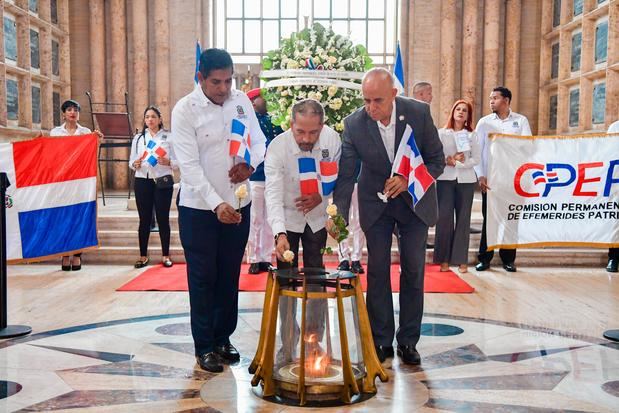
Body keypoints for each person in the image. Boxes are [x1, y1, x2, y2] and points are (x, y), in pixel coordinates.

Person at [331, 68, 445, 365]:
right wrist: (339, 218)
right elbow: (345, 177)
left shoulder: (418, 113)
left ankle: (408, 341)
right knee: (378, 270)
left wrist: (409, 179)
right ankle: (381, 340)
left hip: (413, 202)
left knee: (413, 270)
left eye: (377, 100)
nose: (371, 108)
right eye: (366, 100)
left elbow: (436, 161)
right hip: (376, 203)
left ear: (394, 94)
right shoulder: (354, 124)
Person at [171, 48, 266, 373]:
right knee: (202, 277)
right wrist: (217, 204)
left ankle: (223, 338)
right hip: (200, 209)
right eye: (216, 82)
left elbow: (259, 142)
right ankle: (205, 345)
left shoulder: (240, 102)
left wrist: (250, 165)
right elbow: (189, 166)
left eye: (228, 80)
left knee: (228, 274)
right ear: (201, 78)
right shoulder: (185, 110)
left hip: (239, 202)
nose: (224, 88)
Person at [265, 99, 341, 362]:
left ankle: (313, 340)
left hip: (317, 221)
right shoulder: (277, 147)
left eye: (313, 132)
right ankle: (287, 343)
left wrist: (321, 196)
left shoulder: (332, 141)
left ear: (323, 126)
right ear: (290, 124)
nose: (307, 139)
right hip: (287, 219)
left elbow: (338, 180)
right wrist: (279, 233)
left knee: (317, 277)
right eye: (300, 132)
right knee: (286, 281)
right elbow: (272, 194)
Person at [474, 86, 531, 273]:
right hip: (491, 181)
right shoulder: (484, 123)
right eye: (490, 98)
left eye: (495, 98)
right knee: (490, 220)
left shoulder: (521, 121)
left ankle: (508, 259)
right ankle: (485, 258)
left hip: (514, 180)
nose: (491, 101)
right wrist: (480, 175)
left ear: (506, 100)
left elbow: (527, 147)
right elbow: (477, 151)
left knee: (511, 219)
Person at [50, 99, 103, 271]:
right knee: (64, 217)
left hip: (81, 181)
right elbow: (51, 155)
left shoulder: (86, 132)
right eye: (69, 109)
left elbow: (91, 152)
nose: (73, 112)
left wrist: (97, 141)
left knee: (80, 217)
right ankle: (65, 255)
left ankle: (77, 255)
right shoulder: (55, 132)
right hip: (62, 181)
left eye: (76, 110)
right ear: (64, 113)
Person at [433, 100, 480, 274]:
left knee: (463, 220)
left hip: (466, 181)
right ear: (452, 112)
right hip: (445, 179)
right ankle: (444, 259)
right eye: (458, 109)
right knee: (444, 219)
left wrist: (461, 163)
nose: (461, 112)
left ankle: (461, 259)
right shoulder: (441, 133)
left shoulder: (472, 135)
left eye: (464, 111)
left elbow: (476, 159)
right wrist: (447, 160)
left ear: (468, 116)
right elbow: (435, 155)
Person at [129, 106, 177, 269]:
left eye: (153, 117)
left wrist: (169, 162)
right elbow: (132, 161)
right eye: (147, 117)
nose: (150, 120)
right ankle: (143, 256)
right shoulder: (139, 138)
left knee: (163, 219)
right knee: (144, 220)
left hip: (162, 181)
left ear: (160, 119)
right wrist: (134, 164)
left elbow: (179, 161)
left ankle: (165, 255)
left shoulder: (168, 137)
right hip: (143, 180)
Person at [246, 88, 283, 274]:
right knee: (255, 219)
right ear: (253, 102)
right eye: (262, 98)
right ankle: (253, 258)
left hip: (273, 176)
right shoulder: (250, 123)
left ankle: (266, 258)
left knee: (270, 220)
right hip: (255, 176)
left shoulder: (275, 121)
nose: (266, 101)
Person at [337, 159, 366, 274]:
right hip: (342, 182)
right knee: (341, 221)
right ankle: (343, 258)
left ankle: (356, 259)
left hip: (360, 182)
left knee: (360, 221)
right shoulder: (339, 141)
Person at [607, 119, 619, 272]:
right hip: (617, 180)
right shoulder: (615, 127)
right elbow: (607, 151)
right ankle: (613, 258)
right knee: (616, 221)